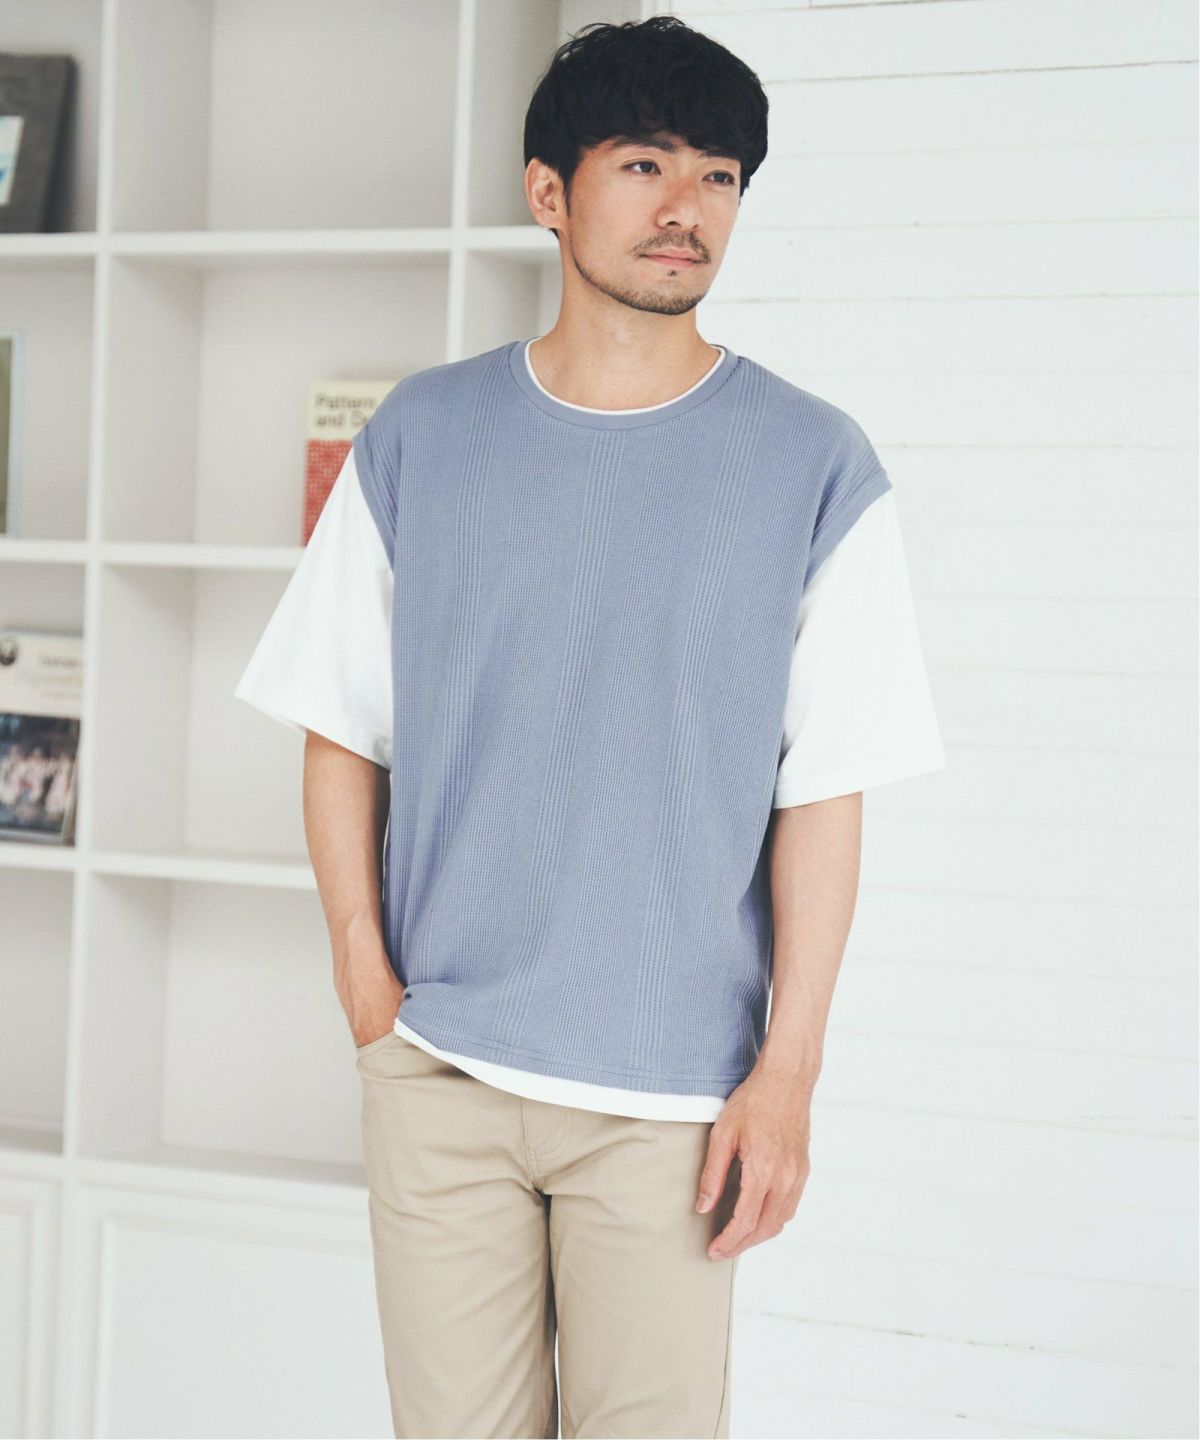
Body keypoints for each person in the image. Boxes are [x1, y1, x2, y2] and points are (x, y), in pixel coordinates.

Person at [235, 16, 945, 1439]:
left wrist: (788, 1073)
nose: (688, 207)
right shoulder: (420, 437)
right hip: (441, 1068)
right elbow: (338, 727)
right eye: (645, 164)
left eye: (720, 176)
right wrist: (370, 989)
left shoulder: (816, 465)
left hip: (673, 1099)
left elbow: (828, 789)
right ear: (549, 192)